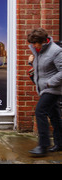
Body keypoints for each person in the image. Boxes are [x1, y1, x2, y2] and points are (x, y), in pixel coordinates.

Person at [27, 28, 62, 156]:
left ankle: (43, 146)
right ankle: (59, 143)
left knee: (40, 111)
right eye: (32, 43)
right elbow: (40, 68)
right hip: (43, 88)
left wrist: (50, 83)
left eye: (36, 43)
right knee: (55, 116)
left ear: (44, 41)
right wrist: (30, 62)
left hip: (53, 88)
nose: (34, 45)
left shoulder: (56, 51)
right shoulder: (38, 51)